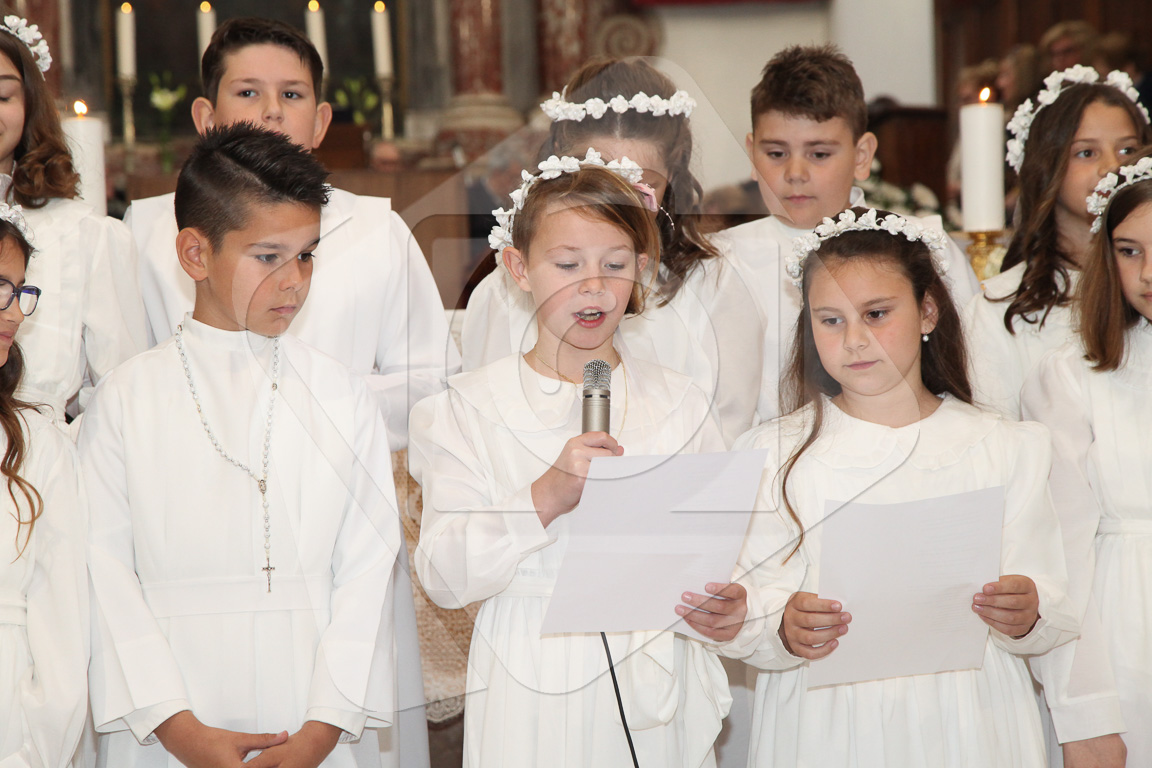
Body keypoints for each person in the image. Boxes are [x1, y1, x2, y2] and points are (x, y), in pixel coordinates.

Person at [81, 124, 407, 768]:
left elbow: (369, 568)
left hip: (314, 710)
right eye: (268, 256)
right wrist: (178, 729)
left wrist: (322, 729)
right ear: (195, 253)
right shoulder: (125, 399)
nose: (294, 282)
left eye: (307, 255)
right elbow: (103, 571)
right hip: (170, 715)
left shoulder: (342, 395)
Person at [411, 154, 744, 767]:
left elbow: (723, 546)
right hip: (533, 664)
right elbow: (444, 575)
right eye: (567, 265)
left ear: (640, 268)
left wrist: (728, 605)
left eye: (614, 265)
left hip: (655, 663)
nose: (594, 287)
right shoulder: (465, 408)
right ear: (519, 268)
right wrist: (545, 496)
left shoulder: (682, 402)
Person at [722, 208, 1075, 767]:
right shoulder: (775, 455)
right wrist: (784, 626)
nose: (855, 340)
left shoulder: (1004, 447)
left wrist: (1027, 611)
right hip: (827, 722)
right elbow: (744, 605)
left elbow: (1051, 595)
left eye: (876, 314)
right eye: (830, 320)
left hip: (969, 716)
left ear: (927, 310)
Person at [126, 16, 458, 451]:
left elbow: (431, 383)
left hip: (335, 464)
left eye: (291, 94)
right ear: (206, 118)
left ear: (320, 122)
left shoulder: (377, 228)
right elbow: (121, 381)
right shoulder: (145, 228)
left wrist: (311, 403)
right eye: (248, 92)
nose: (272, 111)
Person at [462, 57, 765, 445]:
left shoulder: (717, 283)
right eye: (603, 176)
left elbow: (729, 435)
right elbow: (485, 427)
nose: (622, 203)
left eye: (643, 183)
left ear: (673, 176)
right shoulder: (505, 292)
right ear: (562, 165)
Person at [713, 44, 980, 422]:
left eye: (819, 154)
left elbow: (972, 372)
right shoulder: (717, 262)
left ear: (862, 155)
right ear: (752, 153)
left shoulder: (922, 247)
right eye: (776, 154)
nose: (795, 173)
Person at [1021, 150, 1152, 766]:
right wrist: (1084, 715)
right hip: (1124, 640)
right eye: (1129, 251)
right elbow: (1060, 556)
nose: (1148, 272)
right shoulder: (1073, 376)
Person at [964, 67, 1150, 419]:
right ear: (1046, 166)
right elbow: (993, 432)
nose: (1112, 167)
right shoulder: (1000, 309)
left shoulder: (1145, 286)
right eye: (1086, 153)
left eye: (1128, 149)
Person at [0, 15, 146, 430]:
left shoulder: (83, 235)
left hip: (41, 455)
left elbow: (120, 396)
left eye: (2, 95)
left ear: (29, 105)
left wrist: (55, 450)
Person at [0, 204, 87, 767]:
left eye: (20, 291)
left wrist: (33, 755)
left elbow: (63, 628)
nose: (14, 312)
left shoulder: (38, 445)